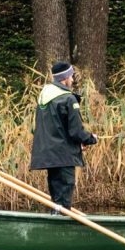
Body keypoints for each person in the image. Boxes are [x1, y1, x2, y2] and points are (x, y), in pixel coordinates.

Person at [29, 61, 98, 209]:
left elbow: (55, 128)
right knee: (64, 195)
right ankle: (62, 225)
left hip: (50, 154)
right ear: (64, 78)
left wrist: (78, 142)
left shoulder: (44, 96)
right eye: (71, 76)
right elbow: (75, 131)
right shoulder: (68, 98)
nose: (72, 80)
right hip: (63, 156)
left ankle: (56, 219)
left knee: (57, 197)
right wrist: (90, 139)